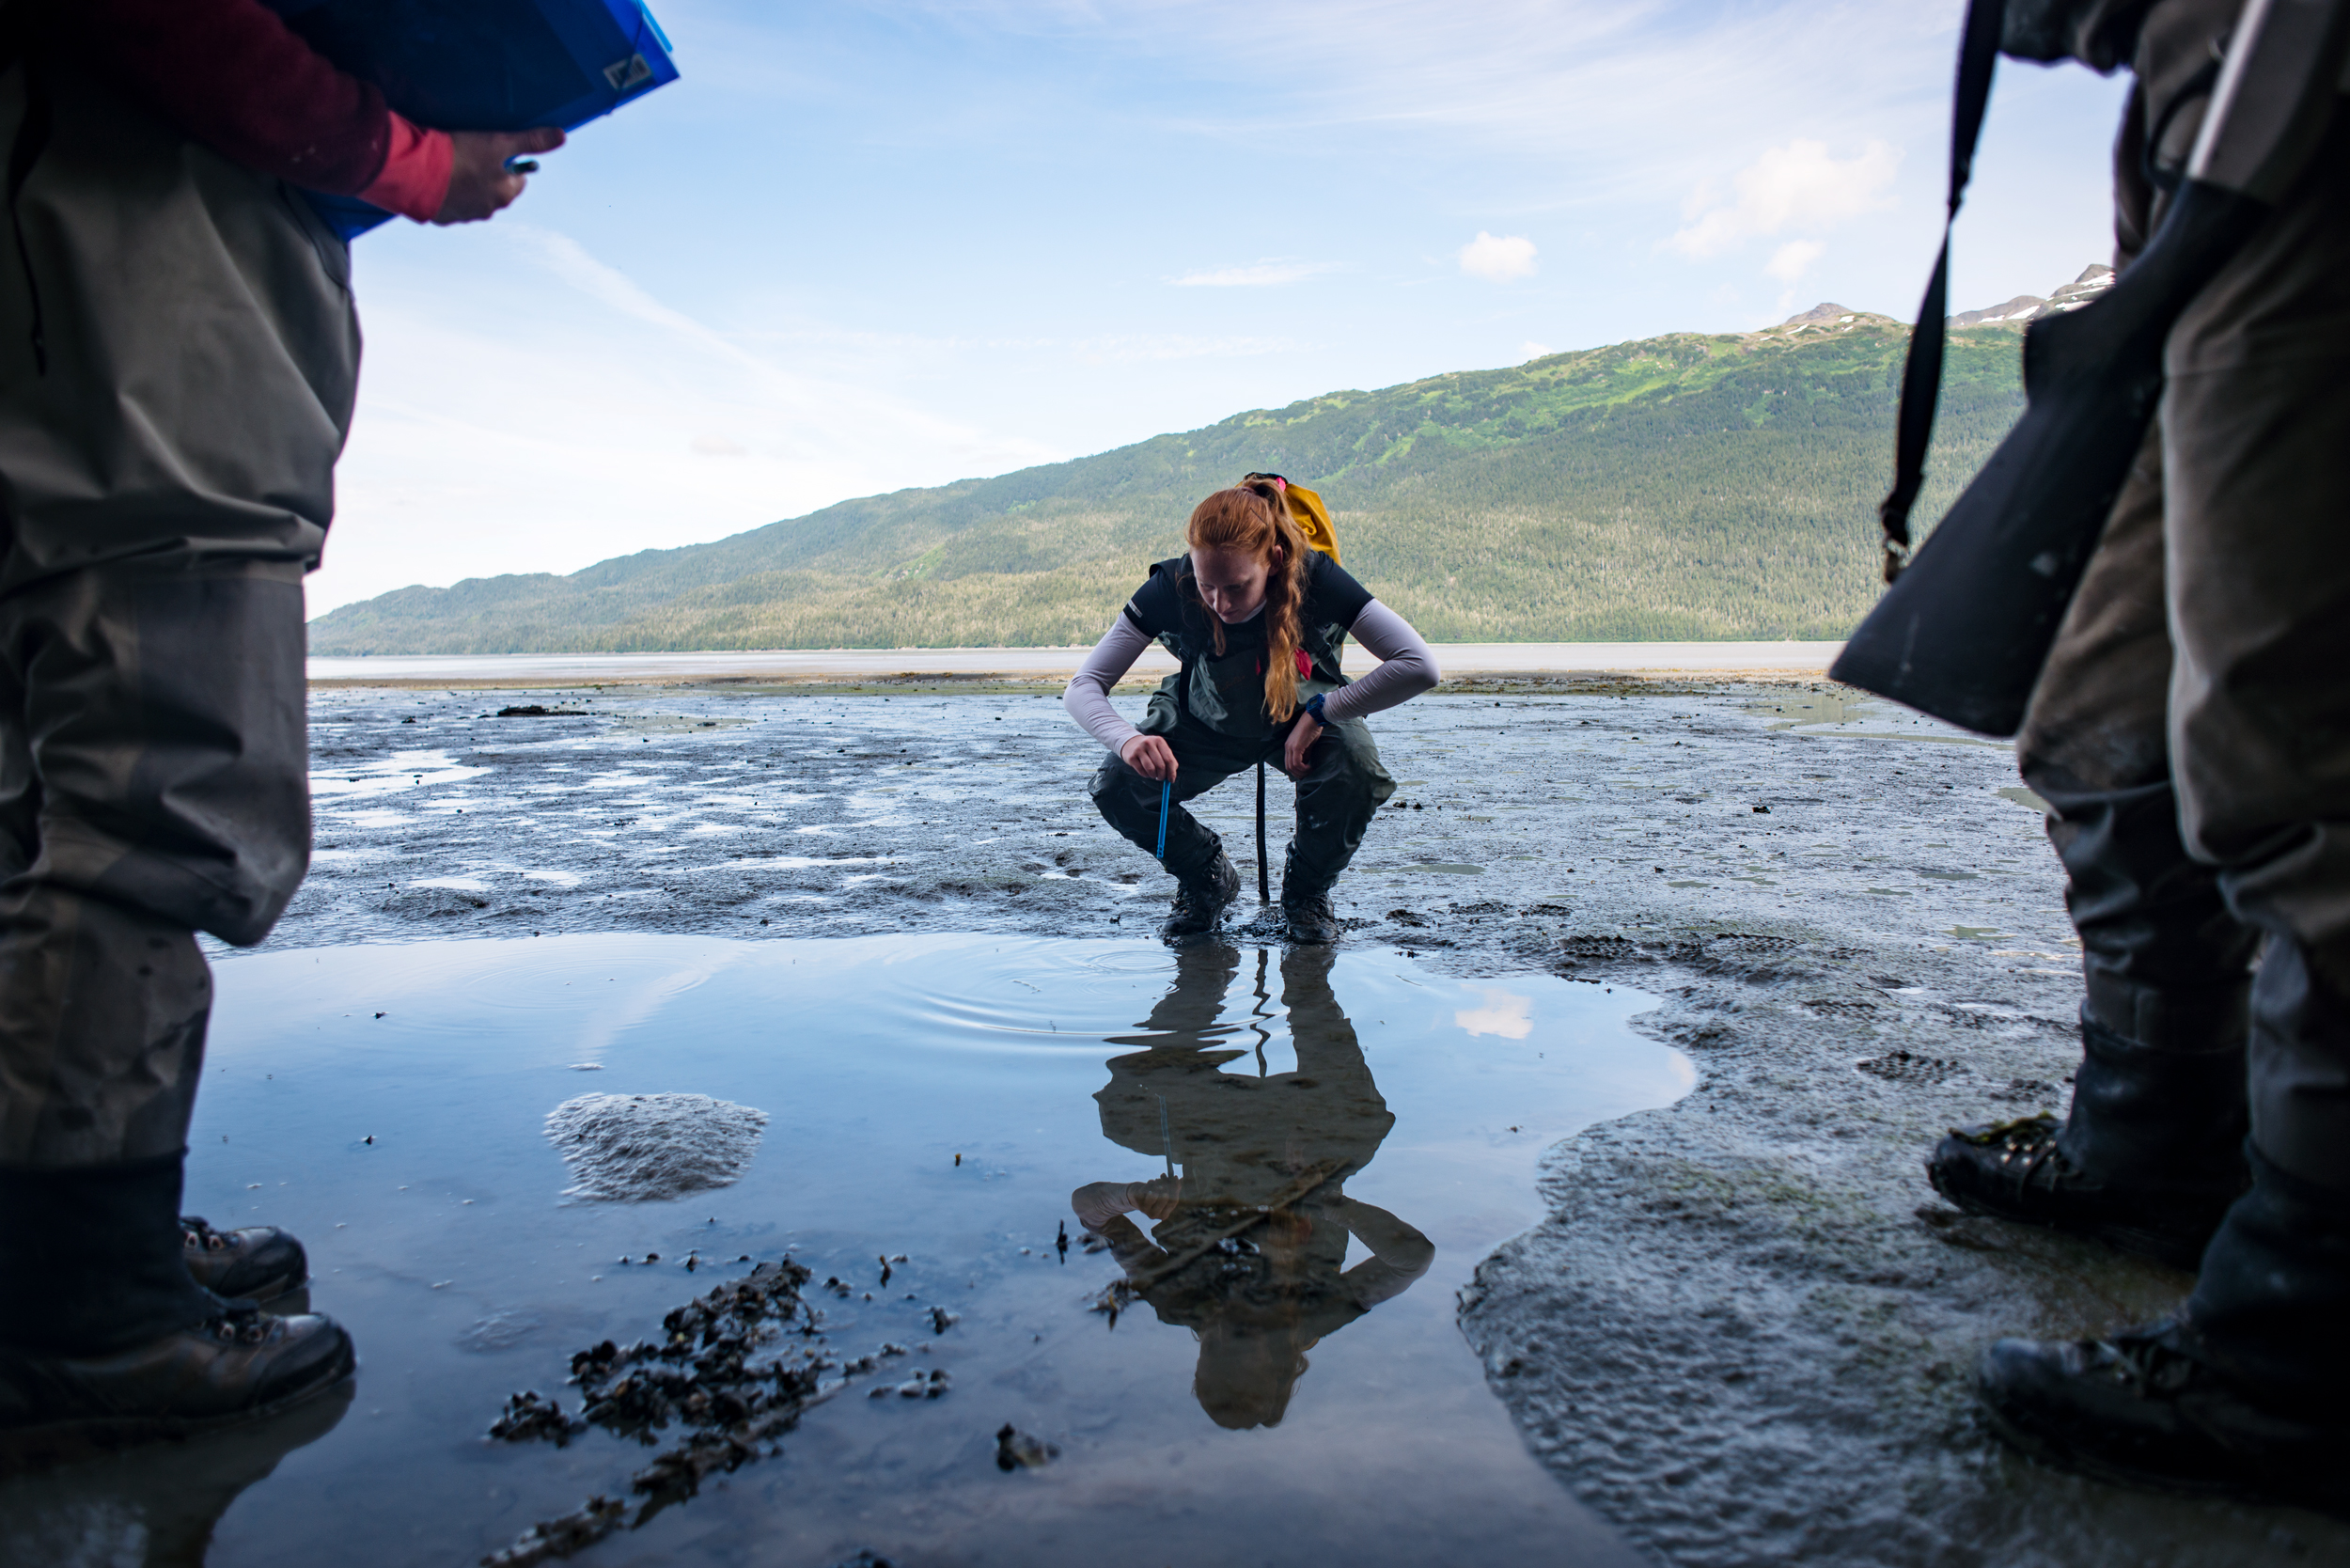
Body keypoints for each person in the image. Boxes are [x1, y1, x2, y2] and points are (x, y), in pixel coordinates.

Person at [0, 0, 561, 1454]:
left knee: (33, 791)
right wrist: (413, 157)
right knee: (159, 785)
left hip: (68, 257)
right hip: (132, 284)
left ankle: (53, 1228)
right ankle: (88, 1308)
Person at [1919, 0, 2350, 1513]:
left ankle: (2303, 1332)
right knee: (2104, 723)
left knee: (2299, 749)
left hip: (2285, 93)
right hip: (2193, 119)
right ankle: (2154, 1140)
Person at [1070, 942, 1433, 1428]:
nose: (1226, 1331)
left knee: (1119, 1118)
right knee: (1363, 1129)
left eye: (1215, 1348)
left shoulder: (1180, 1300)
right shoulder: (1321, 1311)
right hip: (1306, 1140)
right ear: (1284, 1358)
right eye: (1247, 1347)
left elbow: (1090, 1210)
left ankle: (1201, 974)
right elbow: (1412, 1258)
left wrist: (1134, 1196)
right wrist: (1329, 1202)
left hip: (1213, 1138)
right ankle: (1309, 978)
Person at [1062, 476, 1438, 943]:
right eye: (1207, 587)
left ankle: (1306, 896)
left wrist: (1323, 712)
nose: (1220, 604)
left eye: (1237, 587)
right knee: (1118, 784)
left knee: (1356, 770)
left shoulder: (1316, 577)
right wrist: (1129, 739)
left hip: (1301, 717)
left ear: (1275, 562)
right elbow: (1083, 686)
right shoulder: (1169, 587)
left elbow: (1419, 665)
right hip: (1203, 717)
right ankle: (1206, 880)